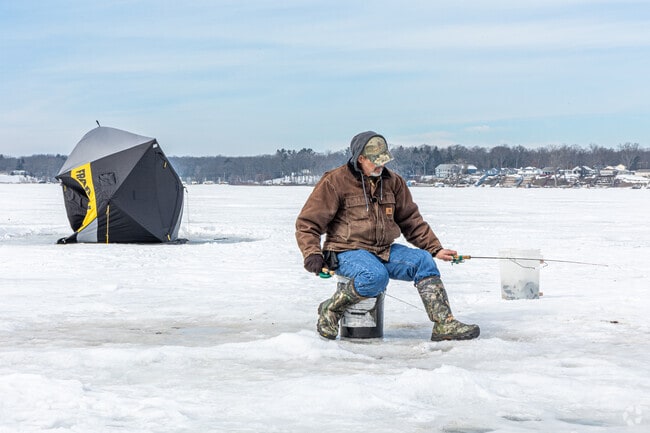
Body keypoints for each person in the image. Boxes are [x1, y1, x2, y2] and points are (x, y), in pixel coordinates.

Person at [295, 131, 480, 341]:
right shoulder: (334, 181)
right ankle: (331, 309)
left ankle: (444, 324)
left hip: (383, 249)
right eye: (375, 161)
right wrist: (312, 253)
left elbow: (411, 220)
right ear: (360, 158)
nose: (380, 165)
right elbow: (307, 223)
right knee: (375, 276)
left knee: (423, 261)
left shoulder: (394, 182)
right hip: (346, 249)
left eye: (383, 160)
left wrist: (435, 249)